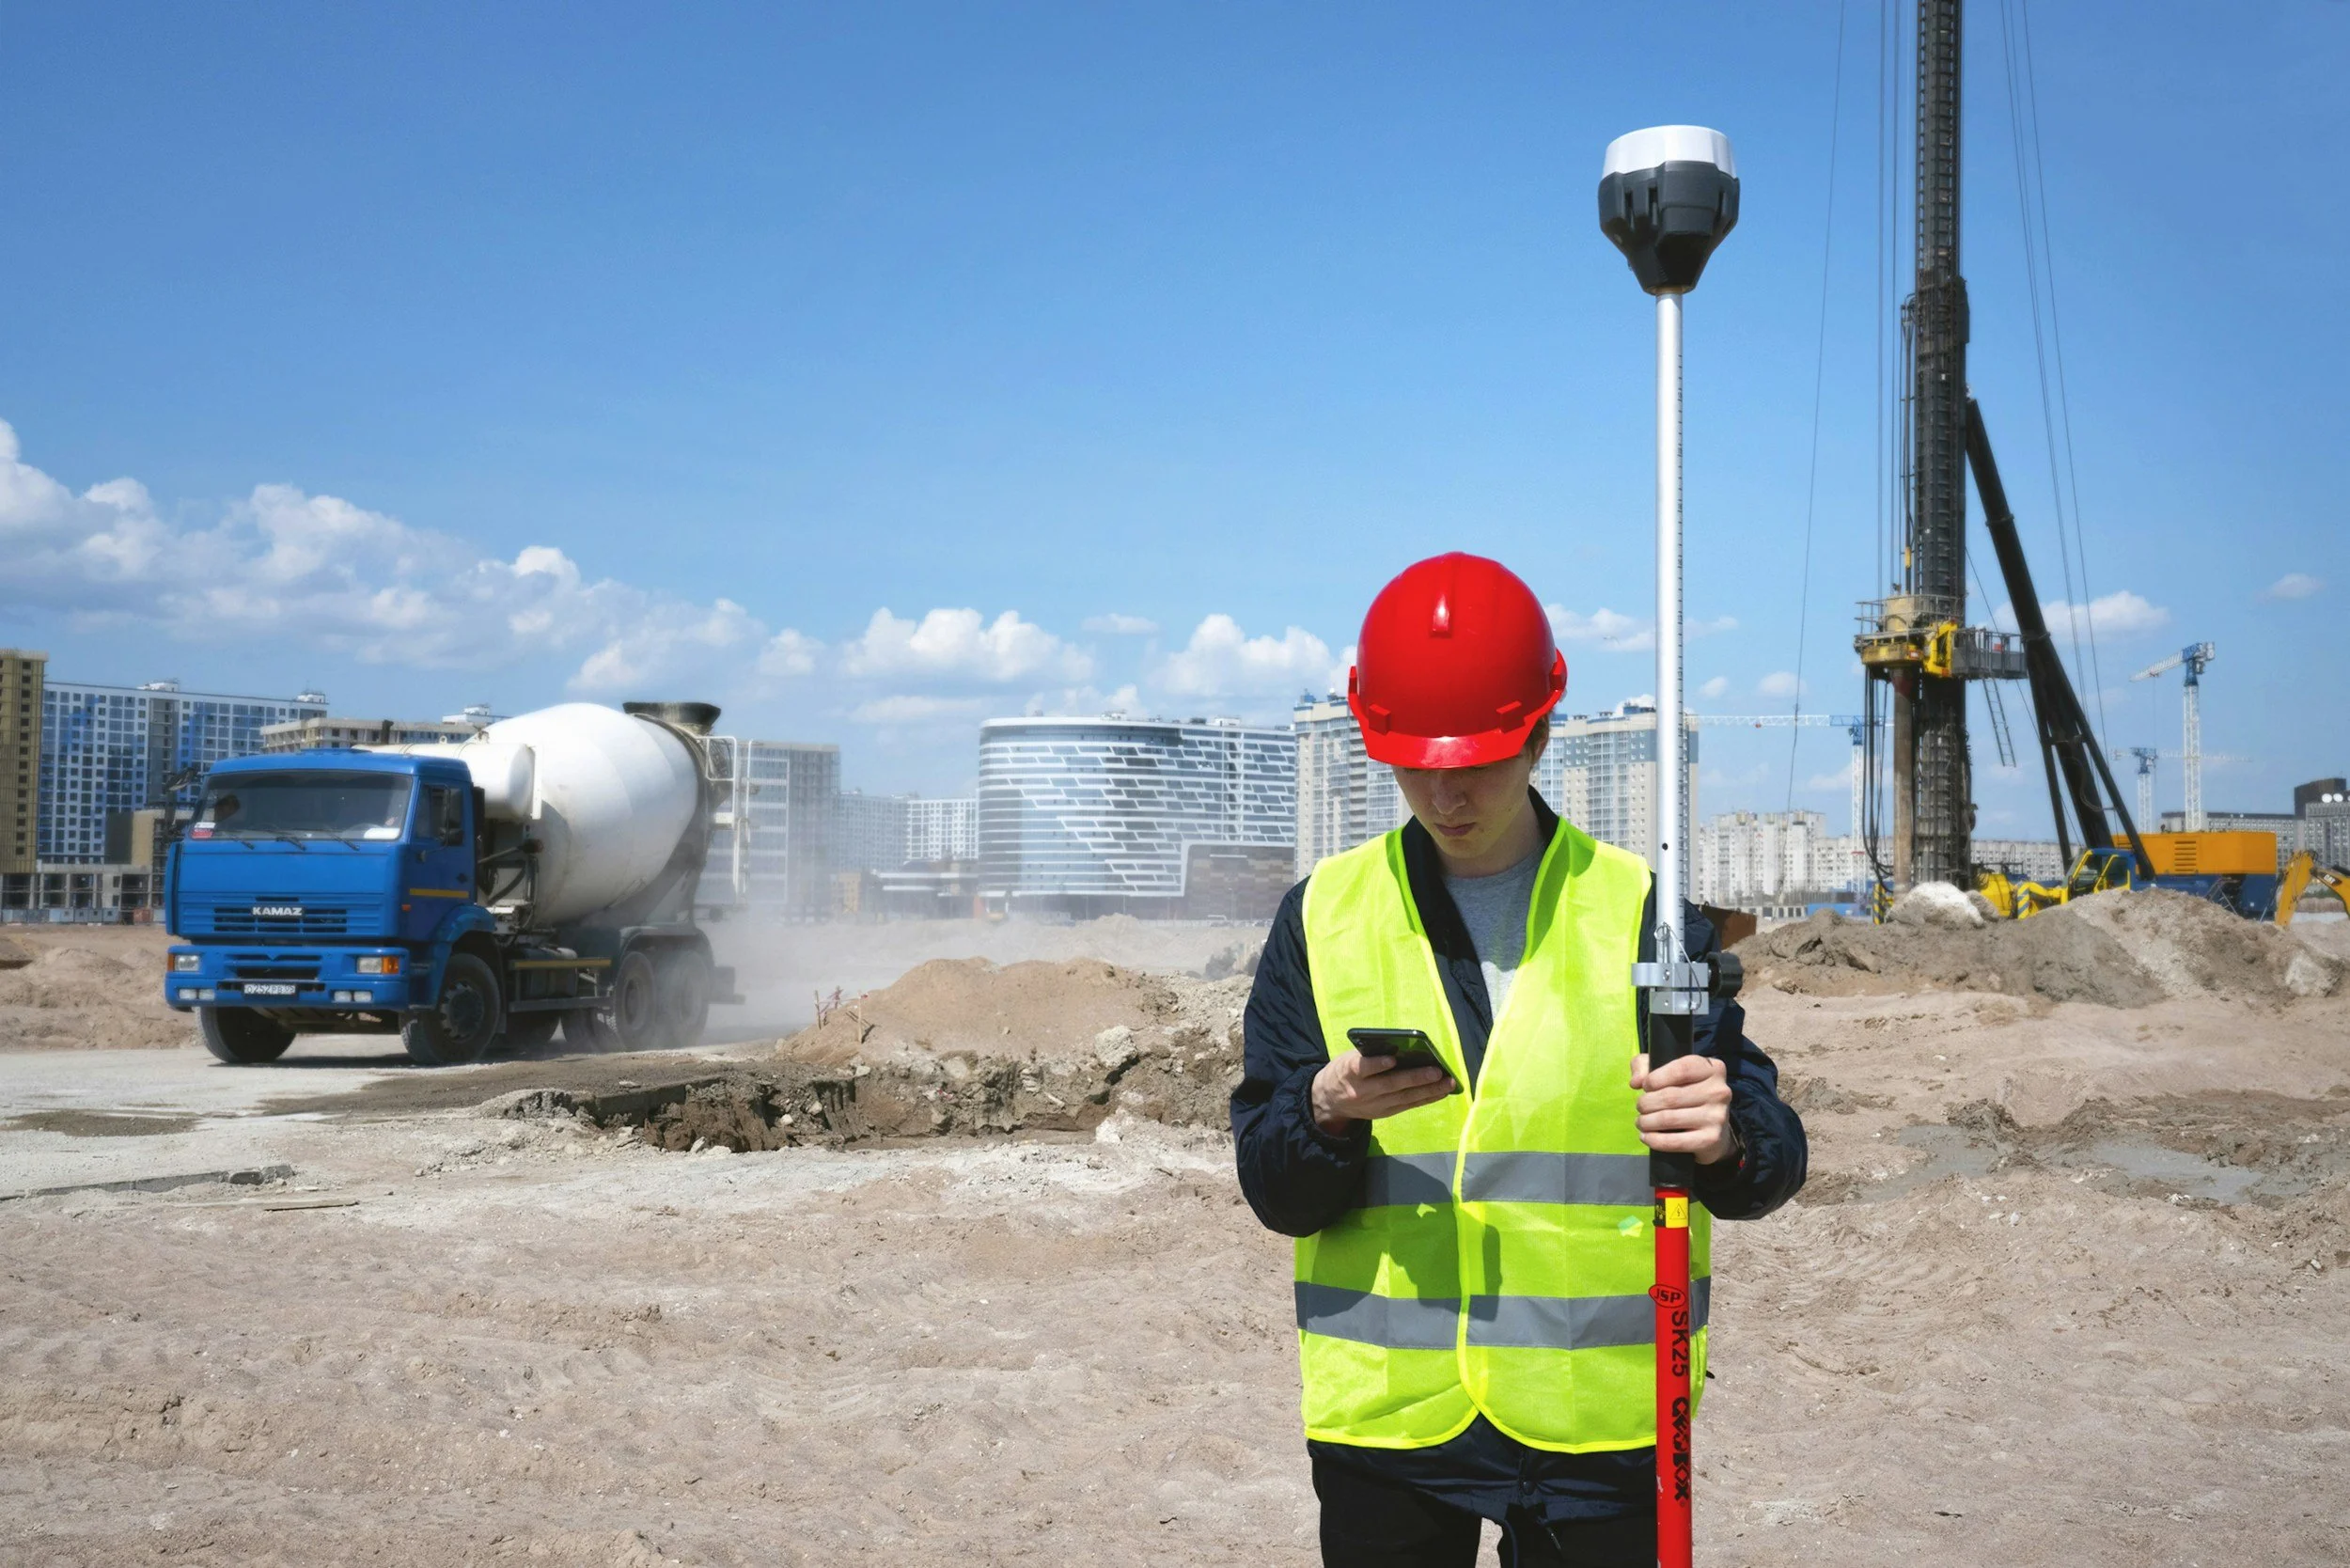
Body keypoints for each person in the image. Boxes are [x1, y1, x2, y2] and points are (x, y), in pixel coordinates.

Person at [1231, 553, 1807, 1568]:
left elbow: (1769, 1161)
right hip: (1391, 1427)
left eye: (1478, 764)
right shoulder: (1321, 918)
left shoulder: (1644, 914)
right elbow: (1275, 1191)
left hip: (1600, 1422)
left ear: (1539, 733)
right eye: (1419, 766)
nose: (1446, 795)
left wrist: (1725, 1140)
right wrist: (1321, 1110)